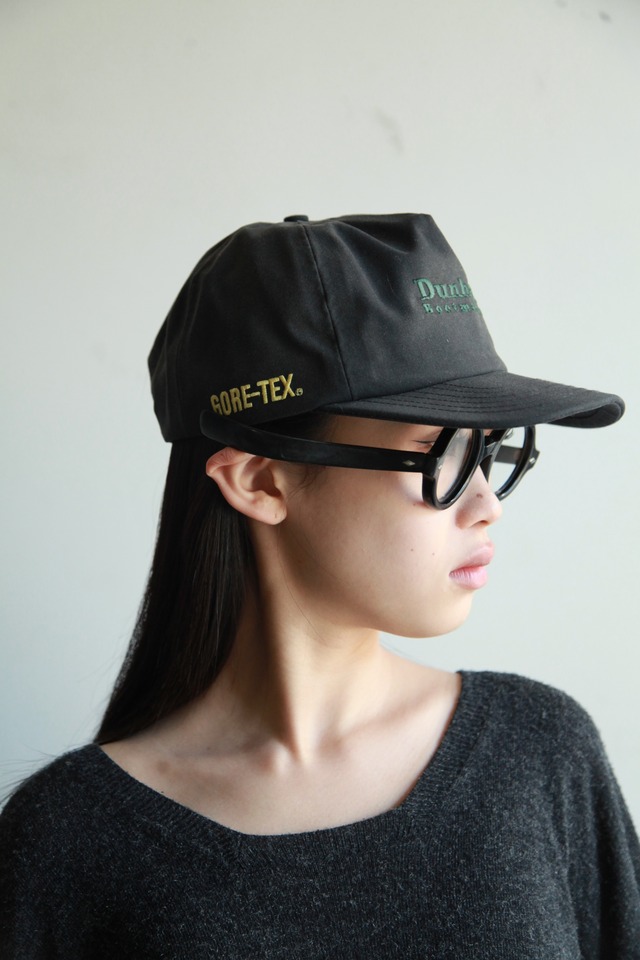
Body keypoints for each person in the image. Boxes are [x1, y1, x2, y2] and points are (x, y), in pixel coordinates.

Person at [1, 213, 638, 958]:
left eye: (489, 450)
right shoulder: (69, 842)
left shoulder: (540, 754)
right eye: (439, 453)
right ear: (260, 482)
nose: (486, 503)